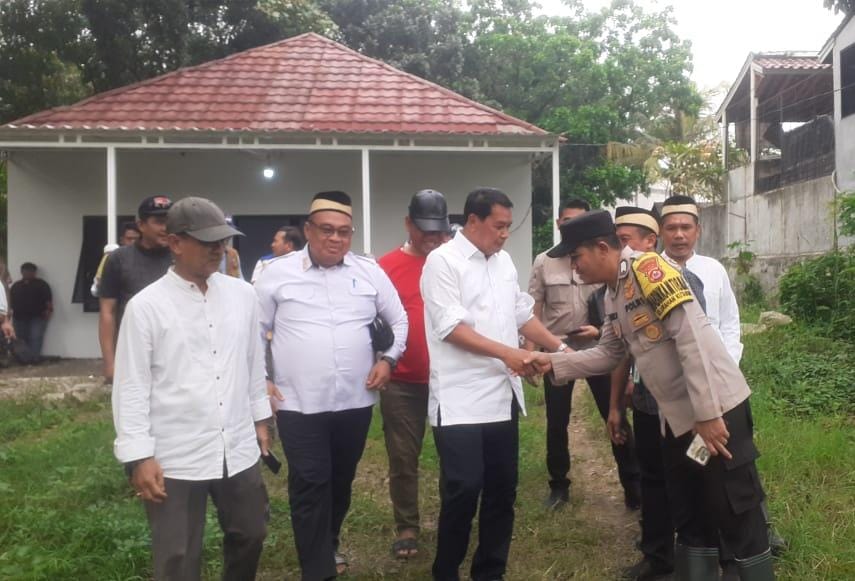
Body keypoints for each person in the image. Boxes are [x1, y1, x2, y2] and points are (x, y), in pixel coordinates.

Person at [527, 210, 774, 581]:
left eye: (576, 257)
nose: (573, 267)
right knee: (690, 504)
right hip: (677, 418)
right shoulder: (612, 292)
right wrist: (552, 362)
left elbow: (691, 338)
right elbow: (609, 353)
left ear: (601, 248)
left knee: (734, 505)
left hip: (716, 410)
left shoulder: (649, 270)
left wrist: (708, 415)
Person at [111, 196, 272, 581]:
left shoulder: (242, 295)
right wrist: (139, 456)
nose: (218, 249)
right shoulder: (146, 307)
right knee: (178, 556)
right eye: (207, 241)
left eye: (222, 241)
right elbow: (131, 385)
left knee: (251, 532)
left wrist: (260, 419)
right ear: (175, 242)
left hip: (236, 443)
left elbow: (253, 362)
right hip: (176, 452)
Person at [255, 190, 408, 580]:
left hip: (355, 401)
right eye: (326, 230)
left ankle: (329, 540)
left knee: (340, 480)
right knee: (310, 480)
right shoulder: (276, 274)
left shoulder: (369, 272)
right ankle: (317, 568)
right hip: (297, 402)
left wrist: (389, 359)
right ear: (308, 230)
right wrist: (263, 380)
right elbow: (254, 331)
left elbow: (399, 319)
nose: (335, 238)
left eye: (344, 231)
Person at [421, 187, 566, 581]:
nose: (504, 234)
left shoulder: (503, 262)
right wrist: (509, 354)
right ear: (473, 221)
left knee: (502, 490)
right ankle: (446, 570)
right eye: (499, 226)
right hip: (459, 399)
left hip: (502, 395)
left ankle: (490, 571)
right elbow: (451, 328)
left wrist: (559, 348)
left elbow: (522, 313)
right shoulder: (442, 262)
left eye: (508, 227)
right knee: (464, 488)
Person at [659, 195, 786, 568]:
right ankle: (705, 547)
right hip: (681, 396)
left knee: (736, 466)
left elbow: (730, 322)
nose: (679, 235)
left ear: (698, 230)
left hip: (723, 393)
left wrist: (724, 369)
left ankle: (751, 539)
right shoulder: (653, 274)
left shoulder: (713, 270)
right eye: (672, 228)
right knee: (696, 468)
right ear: (661, 232)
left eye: (686, 227)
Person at [608, 206, 706, 581]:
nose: (620, 251)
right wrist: (617, 404)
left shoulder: (678, 278)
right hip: (648, 403)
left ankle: (698, 557)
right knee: (652, 479)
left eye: (624, 241)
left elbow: (695, 344)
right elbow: (621, 350)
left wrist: (705, 409)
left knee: (692, 479)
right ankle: (657, 554)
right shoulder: (619, 288)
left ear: (649, 242)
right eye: (616, 242)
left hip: (683, 405)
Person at [529, 197, 640, 510]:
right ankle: (559, 486)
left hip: (601, 348)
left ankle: (634, 487)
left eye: (577, 257)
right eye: (567, 221)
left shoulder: (632, 272)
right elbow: (534, 307)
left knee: (615, 416)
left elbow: (689, 344)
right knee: (557, 422)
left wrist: (597, 331)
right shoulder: (546, 262)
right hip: (560, 347)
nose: (575, 266)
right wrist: (539, 353)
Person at [377, 189, 450, 559]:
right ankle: (407, 525)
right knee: (403, 457)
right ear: (408, 224)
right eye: (425, 230)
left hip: (450, 379)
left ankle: (454, 518)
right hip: (403, 382)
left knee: (455, 454)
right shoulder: (385, 267)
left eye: (439, 230)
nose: (433, 237)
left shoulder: (454, 263)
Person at [98, 196, 174, 381]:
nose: (166, 228)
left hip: (175, 353)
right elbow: (107, 312)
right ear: (141, 225)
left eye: (170, 222)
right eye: (159, 222)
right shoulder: (118, 259)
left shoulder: (182, 256)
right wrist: (110, 364)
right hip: (133, 353)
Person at [9, 262, 53, 358]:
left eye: (30, 271)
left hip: (37, 317)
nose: (27, 273)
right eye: (25, 271)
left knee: (35, 338)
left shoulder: (42, 284)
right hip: (18, 317)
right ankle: (23, 359)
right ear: (21, 272)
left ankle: (34, 359)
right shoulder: (16, 286)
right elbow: (10, 301)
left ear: (34, 272)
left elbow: (48, 301)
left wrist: (49, 311)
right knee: (20, 339)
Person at [91, 222, 141, 297]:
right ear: (122, 240)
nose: (133, 242)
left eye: (136, 239)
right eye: (129, 239)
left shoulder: (149, 258)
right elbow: (95, 290)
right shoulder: (112, 258)